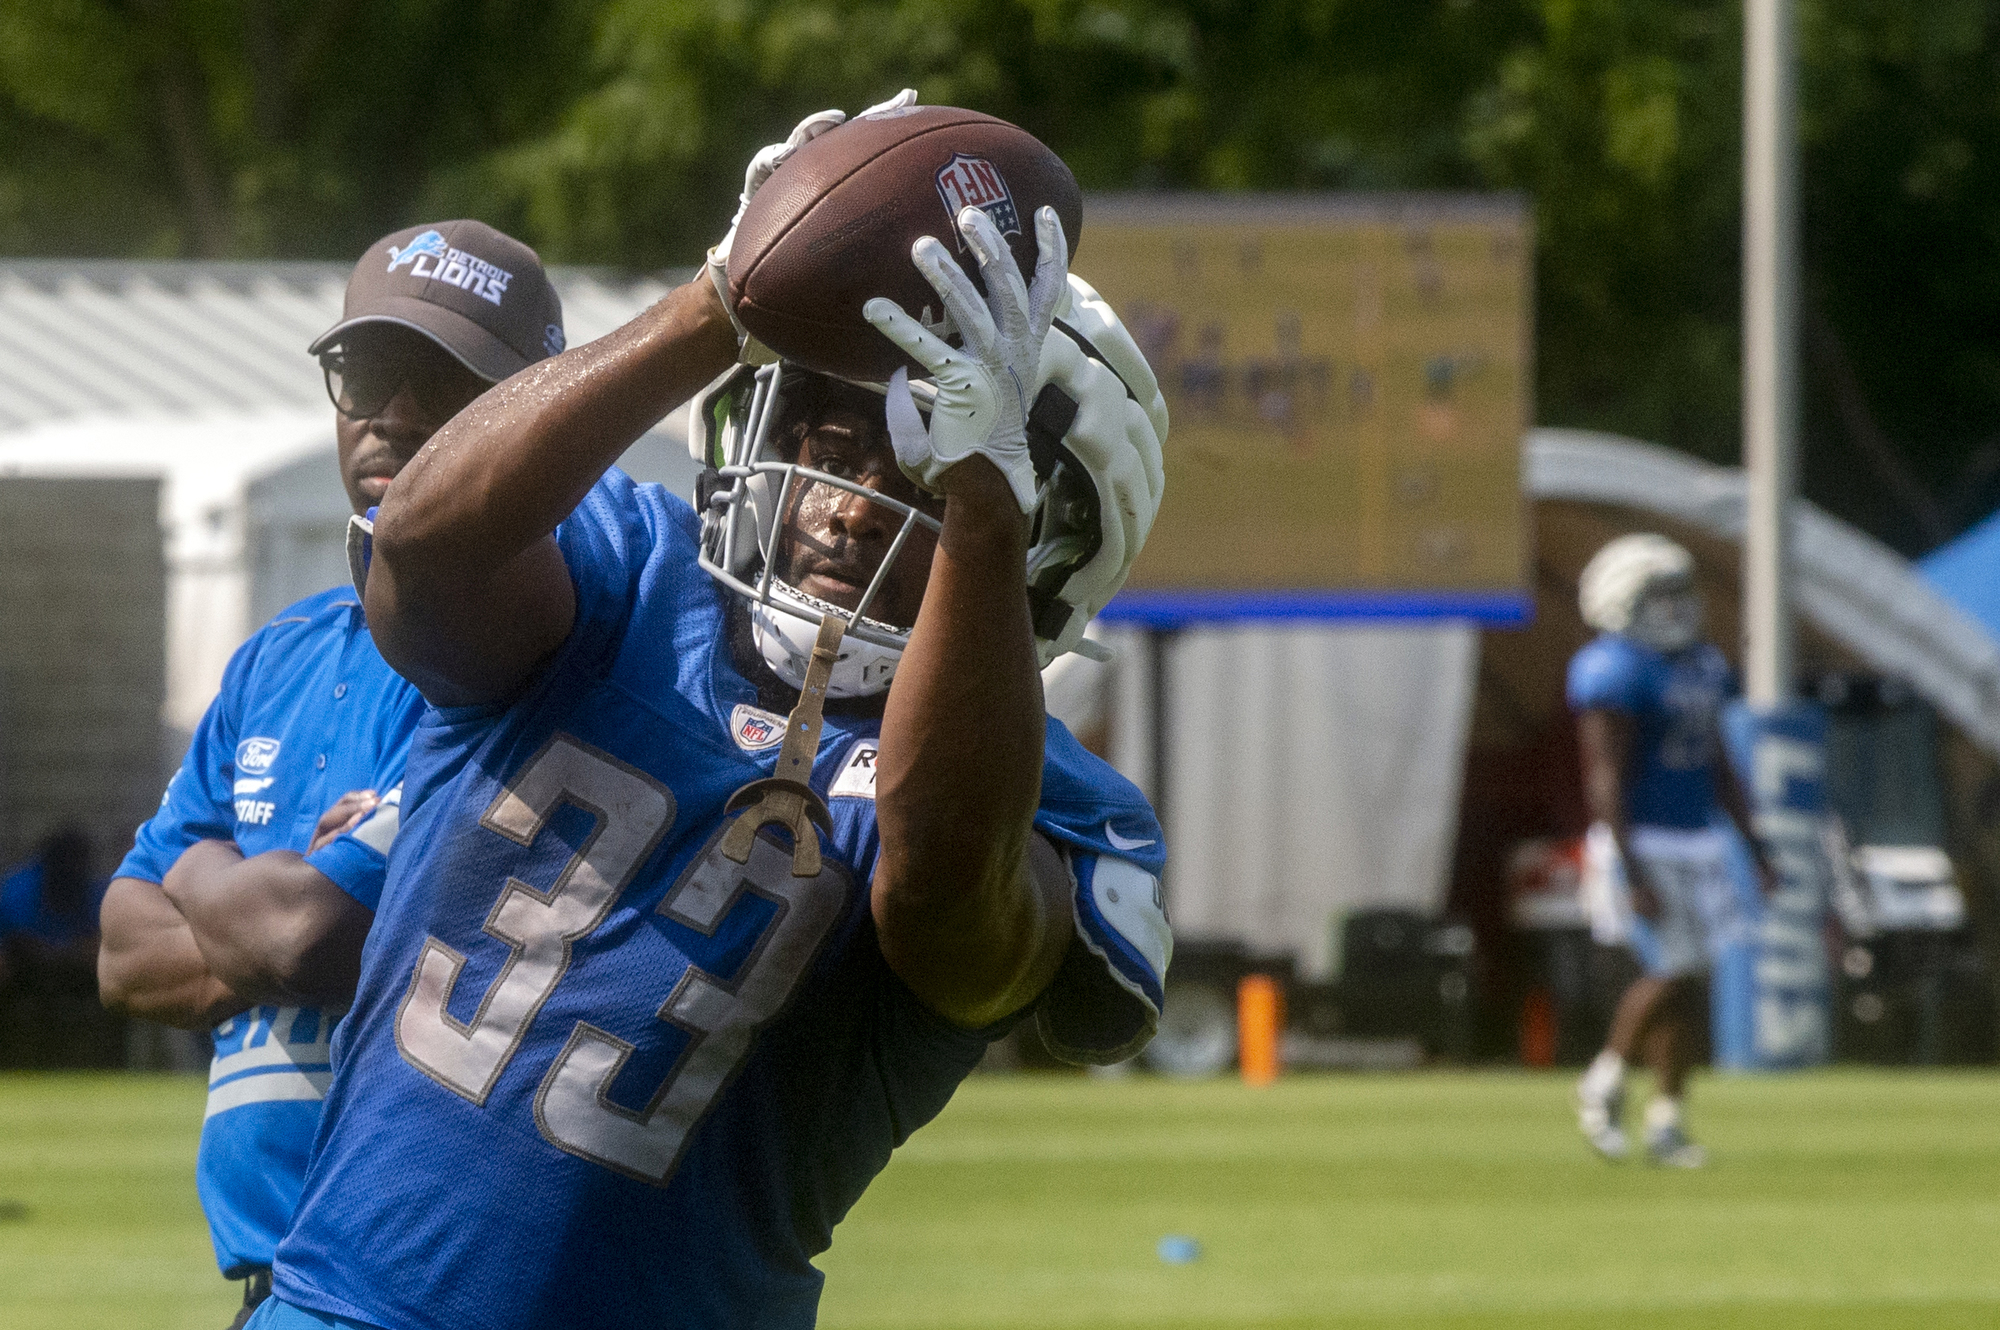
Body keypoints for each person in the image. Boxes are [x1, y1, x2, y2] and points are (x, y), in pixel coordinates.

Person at [245, 100, 1171, 1330]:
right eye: (829, 442)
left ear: (1056, 550)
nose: (845, 507)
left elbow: (947, 892)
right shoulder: (625, 572)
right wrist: (720, 304)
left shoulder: (1049, 803)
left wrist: (984, 508)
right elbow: (421, 557)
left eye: (914, 470)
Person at [96, 219, 566, 1325]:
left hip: (438, 1288)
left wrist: (214, 878)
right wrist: (277, 900)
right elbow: (121, 954)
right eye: (364, 371)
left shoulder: (540, 651)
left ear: (536, 408)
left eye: (441, 380)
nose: (393, 413)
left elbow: (308, 936)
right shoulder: (278, 653)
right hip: (275, 1286)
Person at [1569, 533, 1776, 1167]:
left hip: (1698, 839)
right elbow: (1605, 776)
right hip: (1645, 839)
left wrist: (1757, 846)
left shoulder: (1702, 666)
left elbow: (1718, 763)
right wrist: (1630, 865)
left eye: (1679, 593)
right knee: (1675, 970)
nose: (1676, 607)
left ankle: (1667, 1121)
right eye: (1658, 595)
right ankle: (1603, 1079)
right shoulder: (1614, 669)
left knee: (1694, 981)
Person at [0, 826, 118, 1067]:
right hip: (23, 976)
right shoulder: (19, 888)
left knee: (114, 982)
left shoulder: (92, 890)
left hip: (75, 976)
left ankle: (106, 1068)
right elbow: (18, 945)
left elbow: (100, 945)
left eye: (80, 862)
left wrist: (64, 954)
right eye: (67, 861)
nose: (74, 869)